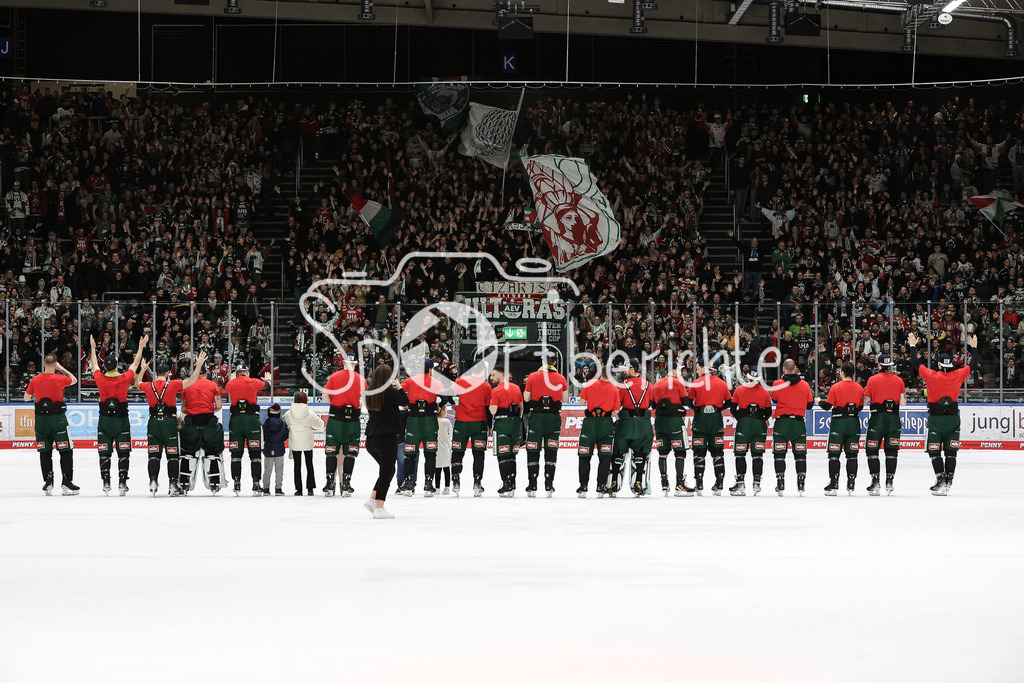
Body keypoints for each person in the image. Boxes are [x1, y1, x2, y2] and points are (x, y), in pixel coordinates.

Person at [134, 353, 207, 496]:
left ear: (156, 373)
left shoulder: (149, 385)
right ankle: (173, 484)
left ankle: (153, 481)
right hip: (169, 423)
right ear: (168, 373)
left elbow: (137, 383)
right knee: (172, 455)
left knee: (153, 455)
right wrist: (198, 365)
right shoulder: (173, 384)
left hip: (154, 422)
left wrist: (142, 369)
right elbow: (191, 381)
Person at [90, 334, 148, 495]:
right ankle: (122, 482)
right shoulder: (124, 378)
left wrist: (93, 348)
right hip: (121, 420)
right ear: (116, 366)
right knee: (124, 452)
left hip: (104, 421)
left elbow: (94, 364)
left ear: (105, 367)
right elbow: (135, 363)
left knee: (104, 453)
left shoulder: (100, 378)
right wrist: (141, 346)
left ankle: (106, 481)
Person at [914, 341, 972, 495]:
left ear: (939, 364)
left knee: (934, 451)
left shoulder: (932, 376)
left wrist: (913, 346)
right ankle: (949, 480)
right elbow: (972, 365)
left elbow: (916, 364)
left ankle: (940, 479)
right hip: (953, 419)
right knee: (951, 452)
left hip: (936, 419)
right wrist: (974, 348)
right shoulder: (958, 375)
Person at [24, 353, 79, 495]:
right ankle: (66, 481)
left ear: (44, 364)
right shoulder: (60, 378)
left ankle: (48, 481)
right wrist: (61, 369)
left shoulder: (35, 379)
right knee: (65, 450)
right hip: (58, 419)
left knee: (45, 451)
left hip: (41, 421)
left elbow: (26, 398)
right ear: (55, 365)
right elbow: (74, 380)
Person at [522, 352, 568, 498]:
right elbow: (565, 399)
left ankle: (532, 484)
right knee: (551, 451)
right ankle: (549, 483)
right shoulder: (561, 378)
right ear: (554, 362)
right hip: (553, 417)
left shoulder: (532, 376)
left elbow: (526, 397)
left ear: (543, 362)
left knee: (533, 450)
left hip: (536, 417)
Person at [363, 363, 405, 519]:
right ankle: (379, 508)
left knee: (388, 471)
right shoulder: (390, 392)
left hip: (371, 438)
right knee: (387, 472)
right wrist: (399, 386)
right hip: (386, 437)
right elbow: (405, 401)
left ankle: (372, 500)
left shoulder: (369, 392)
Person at [815, 363, 864, 496]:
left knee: (834, 454)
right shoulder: (859, 388)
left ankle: (834, 483)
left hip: (839, 423)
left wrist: (819, 401)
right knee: (852, 454)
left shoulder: (836, 387)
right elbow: (860, 407)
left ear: (842, 372)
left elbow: (828, 406)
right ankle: (851, 482)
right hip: (854, 422)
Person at [321, 352, 366, 497]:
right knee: (350, 452)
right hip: (353, 420)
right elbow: (365, 400)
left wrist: (335, 403)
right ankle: (346, 483)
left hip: (335, 419)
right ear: (356, 364)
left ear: (343, 362)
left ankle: (330, 484)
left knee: (331, 451)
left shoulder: (334, 377)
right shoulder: (361, 379)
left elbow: (325, 396)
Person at [225, 362, 272, 496]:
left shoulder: (231, 384)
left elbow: (228, 388)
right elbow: (267, 386)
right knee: (255, 454)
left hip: (236, 421)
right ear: (247, 372)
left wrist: (232, 380)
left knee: (236, 454)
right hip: (252, 421)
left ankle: (236, 482)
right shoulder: (253, 382)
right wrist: (268, 379)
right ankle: (256, 483)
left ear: (237, 373)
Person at [686, 359, 732, 495]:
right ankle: (720, 483)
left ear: (703, 368)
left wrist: (696, 409)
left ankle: (699, 483)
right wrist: (718, 409)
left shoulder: (696, 383)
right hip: (716, 420)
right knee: (718, 451)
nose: (696, 371)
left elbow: (689, 401)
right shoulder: (721, 383)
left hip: (701, 419)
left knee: (699, 452)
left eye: (698, 368)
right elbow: (729, 401)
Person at [179, 364, 226, 495]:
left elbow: (183, 409)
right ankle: (215, 480)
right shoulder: (212, 385)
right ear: (206, 373)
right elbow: (219, 406)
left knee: (187, 451)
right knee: (212, 451)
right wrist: (211, 411)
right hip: (208, 423)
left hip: (191, 424)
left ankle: (184, 480)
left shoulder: (187, 385)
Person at [863, 354, 906, 495]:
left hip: (877, 419)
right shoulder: (899, 380)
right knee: (892, 451)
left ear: (879, 365)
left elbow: (865, 400)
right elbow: (903, 402)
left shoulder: (872, 379)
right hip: (894, 418)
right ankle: (889, 481)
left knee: (872, 450)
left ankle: (875, 481)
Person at [770, 358, 814, 496]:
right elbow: (810, 405)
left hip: (782, 423)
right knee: (800, 454)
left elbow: (774, 399)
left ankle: (780, 482)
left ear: (783, 369)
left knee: (779, 454)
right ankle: (801, 483)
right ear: (795, 369)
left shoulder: (777, 383)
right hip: (798, 424)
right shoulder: (805, 385)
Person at [577, 363, 621, 498]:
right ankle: (600, 486)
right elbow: (616, 410)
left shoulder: (590, 383)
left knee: (584, 456)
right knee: (605, 457)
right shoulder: (615, 389)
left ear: (600, 373)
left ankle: (583, 486)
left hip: (590, 424)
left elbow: (581, 402)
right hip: (606, 424)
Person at [650, 361, 694, 496]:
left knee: (662, 453)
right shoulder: (678, 383)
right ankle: (679, 483)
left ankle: (664, 483)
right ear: (673, 371)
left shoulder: (656, 385)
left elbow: (653, 405)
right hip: (675, 421)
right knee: (680, 452)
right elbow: (686, 402)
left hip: (660, 422)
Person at [400, 359, 443, 496]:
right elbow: (445, 398)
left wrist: (406, 403)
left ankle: (408, 483)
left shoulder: (411, 380)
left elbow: (399, 391)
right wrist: (439, 406)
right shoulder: (436, 382)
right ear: (430, 369)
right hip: (430, 420)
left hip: (413, 421)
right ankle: (428, 484)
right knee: (430, 454)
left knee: (410, 454)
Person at [728, 369, 772, 496]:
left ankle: (740, 483)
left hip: (743, 425)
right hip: (759, 425)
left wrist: (741, 418)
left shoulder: (739, 390)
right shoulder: (765, 392)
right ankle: (756, 482)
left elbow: (732, 409)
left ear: (748, 377)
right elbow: (769, 412)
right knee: (757, 455)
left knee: (740, 454)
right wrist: (760, 419)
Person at [449, 368, 491, 497]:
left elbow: (447, 393)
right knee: (478, 454)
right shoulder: (486, 385)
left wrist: (453, 404)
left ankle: (455, 480)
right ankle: (477, 482)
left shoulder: (461, 381)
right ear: (483, 371)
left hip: (462, 422)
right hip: (479, 423)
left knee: (457, 452)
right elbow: (488, 407)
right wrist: (489, 425)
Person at [615, 358, 654, 497]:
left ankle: (614, 481)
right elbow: (650, 402)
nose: (624, 372)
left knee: (618, 452)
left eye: (626, 369)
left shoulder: (623, 386)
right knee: (641, 453)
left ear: (632, 369)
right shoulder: (648, 385)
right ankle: (638, 482)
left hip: (626, 423)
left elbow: (617, 405)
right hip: (643, 423)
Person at [489, 364, 524, 498]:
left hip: (502, 423)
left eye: (493, 375)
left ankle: (506, 483)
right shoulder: (516, 388)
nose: (491, 377)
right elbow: (521, 407)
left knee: (502, 454)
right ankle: (512, 482)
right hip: (515, 423)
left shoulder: (496, 390)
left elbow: (493, 410)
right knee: (512, 455)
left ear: (501, 375)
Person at [283, 391, 324, 495]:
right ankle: (310, 489)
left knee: (297, 466)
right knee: (309, 464)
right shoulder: (310, 414)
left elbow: (285, 422)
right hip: (307, 442)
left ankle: (299, 490)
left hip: (295, 442)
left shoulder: (288, 414)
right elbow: (320, 424)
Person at [262, 403, 289, 495]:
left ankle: (266, 488)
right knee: (279, 471)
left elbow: (263, 436)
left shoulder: (265, 424)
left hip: (268, 449)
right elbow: (286, 436)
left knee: (267, 470)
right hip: (279, 449)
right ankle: (278, 489)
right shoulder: (283, 424)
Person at [435, 404, 453, 495]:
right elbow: (451, 433)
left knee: (437, 468)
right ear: (442, 411)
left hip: (436, 447)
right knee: (446, 468)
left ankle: (437, 487)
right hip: (446, 446)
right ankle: (447, 487)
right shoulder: (446, 421)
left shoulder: (433, 421)